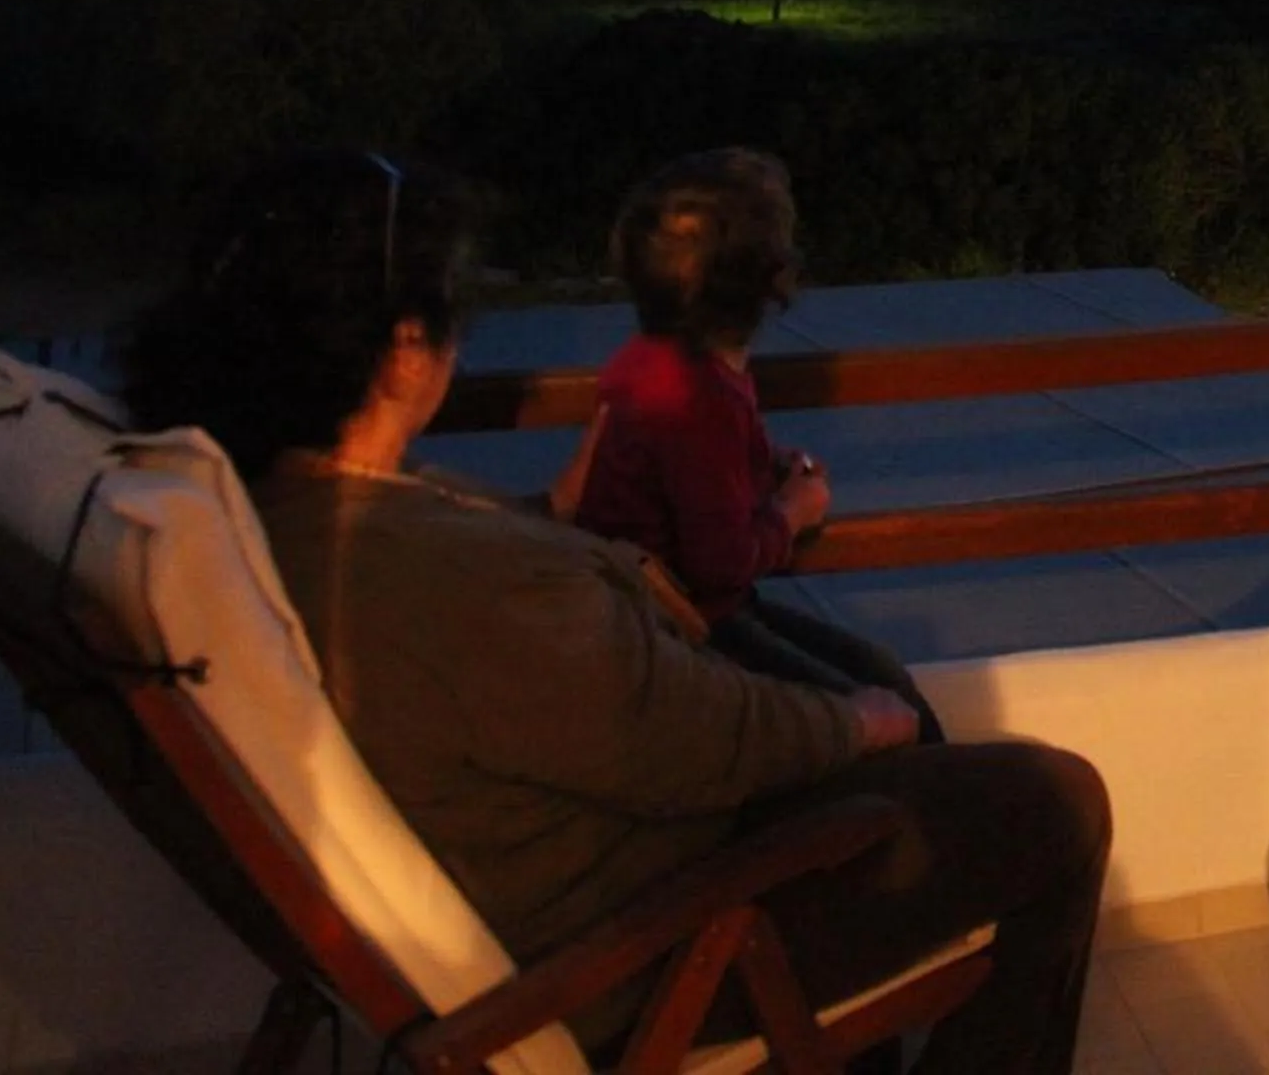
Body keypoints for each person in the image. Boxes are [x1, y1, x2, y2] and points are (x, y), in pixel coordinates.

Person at [122, 149, 1109, 1072]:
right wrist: (858, 720)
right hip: (644, 931)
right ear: (407, 349)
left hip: (556, 861)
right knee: (1056, 801)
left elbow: (489, 625)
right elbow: (706, 739)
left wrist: (545, 517)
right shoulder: (463, 584)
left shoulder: (274, 515)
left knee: (901, 737)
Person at [572, 148, 939, 734]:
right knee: (888, 714)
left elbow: (691, 478)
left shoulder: (658, 360)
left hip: (677, 611)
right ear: (767, 279)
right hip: (688, 625)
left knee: (881, 673)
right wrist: (794, 512)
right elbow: (719, 562)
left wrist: (766, 467)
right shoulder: (696, 397)